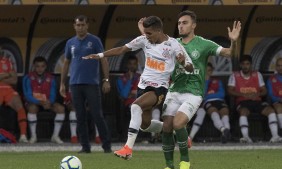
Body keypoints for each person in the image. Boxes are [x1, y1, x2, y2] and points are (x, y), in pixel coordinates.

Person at [137, 10, 241, 169]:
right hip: (174, 90)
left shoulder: (203, 44)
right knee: (167, 127)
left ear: (194, 25)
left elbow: (229, 53)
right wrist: (144, 31)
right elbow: (152, 42)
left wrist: (234, 42)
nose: (181, 26)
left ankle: (184, 160)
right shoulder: (172, 43)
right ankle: (169, 167)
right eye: (179, 23)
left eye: (184, 23)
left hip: (193, 93)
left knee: (178, 123)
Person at [83, 16, 194, 159]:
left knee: (135, 107)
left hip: (159, 88)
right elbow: (122, 49)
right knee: (144, 125)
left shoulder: (173, 45)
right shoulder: (144, 40)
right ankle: (179, 134)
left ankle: (128, 148)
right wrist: (99, 55)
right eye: (145, 33)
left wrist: (184, 62)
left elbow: (190, 68)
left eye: (149, 33)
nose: (146, 36)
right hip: (143, 86)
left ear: (159, 31)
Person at [60, 15, 112, 153]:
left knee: (97, 114)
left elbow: (103, 60)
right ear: (74, 26)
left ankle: (106, 146)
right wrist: (62, 83)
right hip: (75, 83)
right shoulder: (70, 42)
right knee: (80, 116)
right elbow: (66, 63)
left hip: (91, 83)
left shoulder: (94, 41)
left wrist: (106, 80)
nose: (80, 27)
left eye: (83, 25)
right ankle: (85, 146)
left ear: (87, 26)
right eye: (78, 25)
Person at [227, 54, 282, 143]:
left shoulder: (257, 74)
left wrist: (257, 94)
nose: (245, 66)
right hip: (242, 101)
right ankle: (246, 137)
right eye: (243, 64)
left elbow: (264, 91)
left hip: (256, 101)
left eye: (247, 64)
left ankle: (275, 136)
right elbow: (229, 90)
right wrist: (242, 94)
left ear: (251, 65)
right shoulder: (235, 75)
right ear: (240, 65)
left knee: (270, 111)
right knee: (243, 111)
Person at [23, 56, 65, 144]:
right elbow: (28, 95)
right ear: (34, 66)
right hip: (34, 102)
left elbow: (53, 93)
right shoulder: (28, 77)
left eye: (42, 66)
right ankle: (33, 136)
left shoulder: (51, 78)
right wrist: (39, 102)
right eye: (37, 66)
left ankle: (55, 136)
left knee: (60, 109)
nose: (40, 69)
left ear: (45, 67)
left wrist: (50, 102)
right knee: (32, 108)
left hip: (47, 102)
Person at [189, 63, 231, 143]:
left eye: (209, 70)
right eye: (205, 70)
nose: (207, 72)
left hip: (219, 100)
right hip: (206, 102)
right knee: (212, 110)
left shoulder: (217, 81)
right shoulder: (199, 82)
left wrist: (208, 95)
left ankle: (226, 133)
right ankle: (224, 130)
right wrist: (206, 82)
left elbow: (221, 94)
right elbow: (201, 95)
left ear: (211, 71)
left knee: (224, 111)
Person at [0, 47, 28, 143]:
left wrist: (1, 77)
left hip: (8, 89)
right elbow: (10, 77)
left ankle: (23, 135)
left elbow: (14, 80)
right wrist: (6, 74)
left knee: (20, 107)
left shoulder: (7, 61)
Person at [267, 57, 282, 133]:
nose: (280, 68)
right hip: (277, 102)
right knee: (279, 107)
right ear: (276, 67)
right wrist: (279, 99)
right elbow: (271, 95)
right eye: (278, 66)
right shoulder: (271, 79)